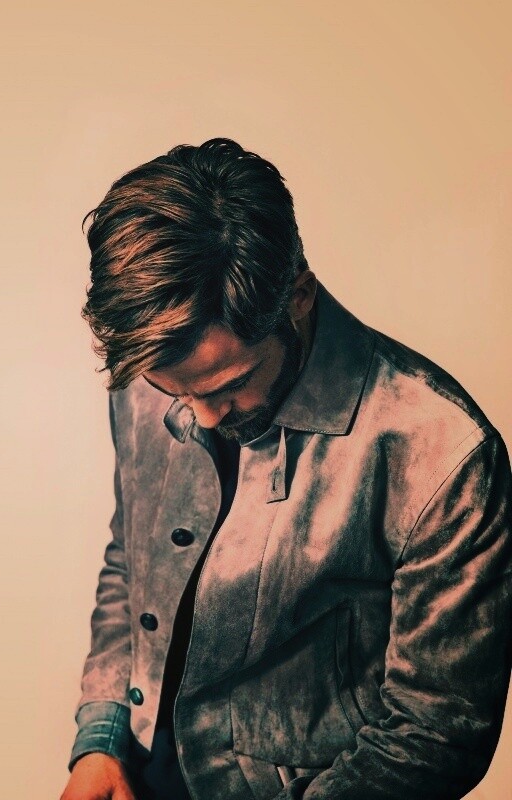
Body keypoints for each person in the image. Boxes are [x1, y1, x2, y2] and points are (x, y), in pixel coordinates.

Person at [59, 138, 512, 800]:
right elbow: (132, 562)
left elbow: (435, 733)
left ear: (297, 295)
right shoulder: (148, 364)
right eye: (175, 391)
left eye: (229, 384)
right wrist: (101, 739)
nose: (202, 416)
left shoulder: (441, 452)